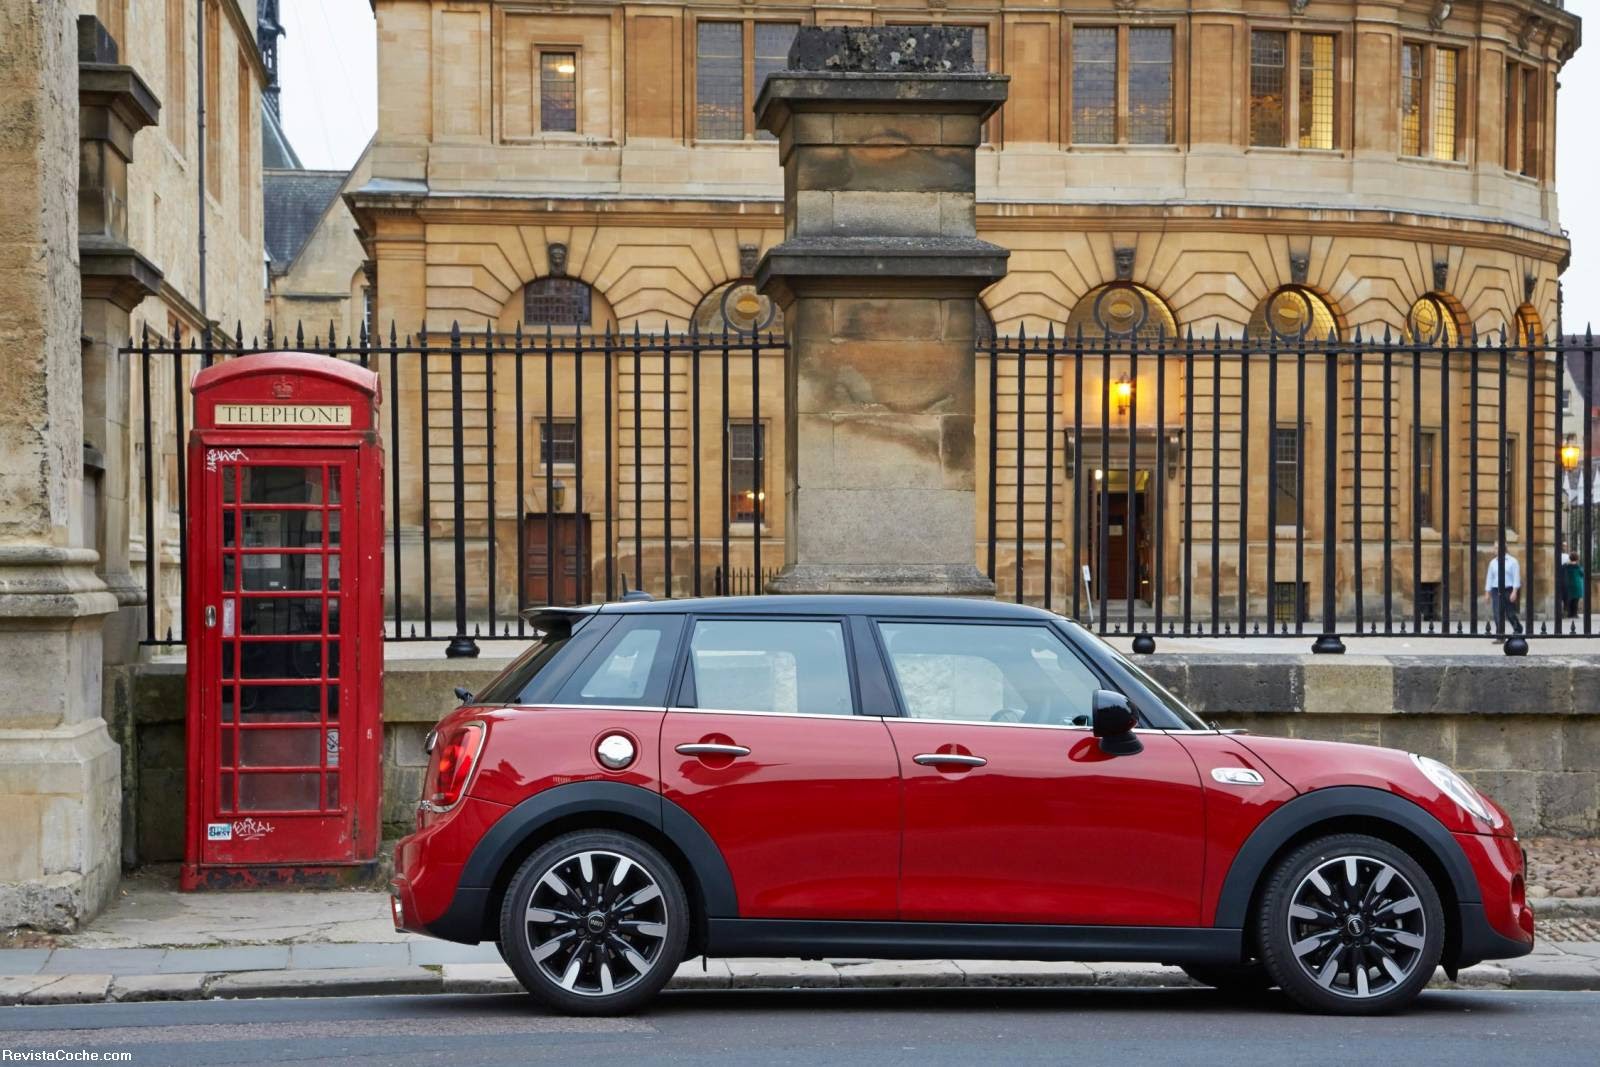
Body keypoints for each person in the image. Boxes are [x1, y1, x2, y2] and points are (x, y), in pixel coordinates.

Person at [1484, 543, 1523, 642]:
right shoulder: (1493, 562)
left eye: (1496, 548)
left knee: (1510, 613)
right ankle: (1500, 635)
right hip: (1496, 589)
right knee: (1497, 613)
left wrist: (1514, 591)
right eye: (1494, 548)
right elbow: (1490, 578)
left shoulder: (1513, 561)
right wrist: (1487, 592)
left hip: (1508, 589)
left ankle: (1518, 629)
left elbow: (1516, 577)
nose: (1494, 550)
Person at [1561, 542, 1586, 618]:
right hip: (1577, 585)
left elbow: (1562, 569)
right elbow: (1582, 574)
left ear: (1570, 558)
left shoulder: (1566, 566)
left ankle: (1569, 613)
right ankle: (1574, 614)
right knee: (1576, 601)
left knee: (1570, 600)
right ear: (1577, 558)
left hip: (1568, 585)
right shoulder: (1578, 567)